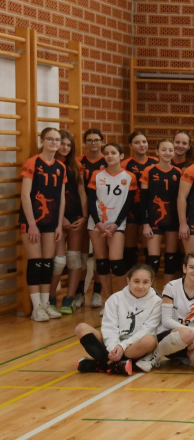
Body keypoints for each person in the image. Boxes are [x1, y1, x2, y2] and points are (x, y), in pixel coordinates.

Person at [74, 264, 161, 376]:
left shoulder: (157, 302)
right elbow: (109, 327)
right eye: (136, 281)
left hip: (135, 346)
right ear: (128, 280)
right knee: (81, 328)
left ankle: (102, 363)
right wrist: (113, 348)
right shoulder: (115, 299)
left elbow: (148, 329)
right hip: (114, 344)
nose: (140, 286)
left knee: (149, 340)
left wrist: (122, 346)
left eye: (145, 282)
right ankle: (115, 364)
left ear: (151, 282)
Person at [21, 128, 68, 321]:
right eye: (50, 139)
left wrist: (58, 225)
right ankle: (36, 307)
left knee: (48, 263)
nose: (54, 143)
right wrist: (32, 224)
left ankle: (46, 303)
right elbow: (25, 195)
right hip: (32, 221)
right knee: (35, 263)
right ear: (42, 141)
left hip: (51, 221)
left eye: (57, 140)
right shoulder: (33, 162)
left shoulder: (60, 167)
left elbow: (61, 199)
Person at [147, 251, 194, 372]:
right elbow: (166, 320)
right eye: (192, 267)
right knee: (187, 334)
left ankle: (182, 358)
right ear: (184, 268)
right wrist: (193, 334)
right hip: (169, 335)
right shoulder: (171, 287)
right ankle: (155, 355)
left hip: (192, 339)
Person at [86, 142, 135, 306]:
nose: (109, 156)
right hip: (96, 224)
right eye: (106, 153)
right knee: (101, 263)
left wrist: (116, 224)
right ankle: (108, 301)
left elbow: (128, 203)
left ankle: (122, 302)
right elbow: (91, 201)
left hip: (117, 224)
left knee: (117, 263)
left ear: (121, 156)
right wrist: (98, 223)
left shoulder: (129, 177)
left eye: (113, 152)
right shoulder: (97, 175)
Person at [51, 131, 85, 315]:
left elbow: (81, 192)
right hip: (55, 217)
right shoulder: (49, 164)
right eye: (61, 143)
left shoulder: (75, 165)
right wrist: (59, 218)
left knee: (73, 258)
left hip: (75, 215)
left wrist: (84, 216)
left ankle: (69, 298)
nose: (64, 147)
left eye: (68, 145)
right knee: (58, 260)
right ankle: (50, 298)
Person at [141, 139, 182, 282]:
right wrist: (145, 223)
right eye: (164, 150)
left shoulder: (178, 172)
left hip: (173, 220)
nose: (167, 153)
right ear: (157, 152)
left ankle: (167, 292)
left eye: (170, 150)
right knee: (154, 259)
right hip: (154, 220)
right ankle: (150, 292)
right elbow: (144, 199)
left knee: (171, 259)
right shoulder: (149, 171)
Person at [78, 128, 107, 309]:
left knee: (99, 256)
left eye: (96, 140)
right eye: (89, 140)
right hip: (83, 212)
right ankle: (79, 292)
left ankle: (97, 292)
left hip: (102, 213)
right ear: (85, 143)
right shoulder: (79, 162)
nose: (93, 143)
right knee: (80, 256)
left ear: (102, 141)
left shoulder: (108, 160)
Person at [121, 131, 157, 271]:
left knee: (148, 245)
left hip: (148, 207)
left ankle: (149, 282)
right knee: (129, 246)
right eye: (137, 142)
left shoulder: (155, 162)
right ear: (130, 145)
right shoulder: (125, 164)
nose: (141, 145)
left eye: (144, 142)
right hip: (131, 206)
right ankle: (131, 281)